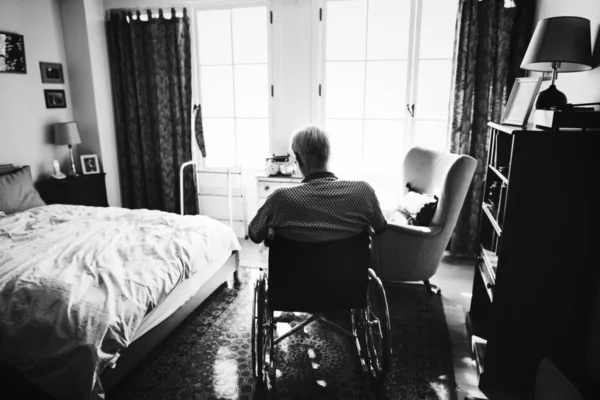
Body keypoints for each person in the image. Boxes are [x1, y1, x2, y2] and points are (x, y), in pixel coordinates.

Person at [248, 125, 386, 244]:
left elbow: (254, 234)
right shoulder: (363, 192)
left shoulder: (279, 199)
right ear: (329, 154)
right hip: (348, 275)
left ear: (298, 159)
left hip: (297, 275)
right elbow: (380, 227)